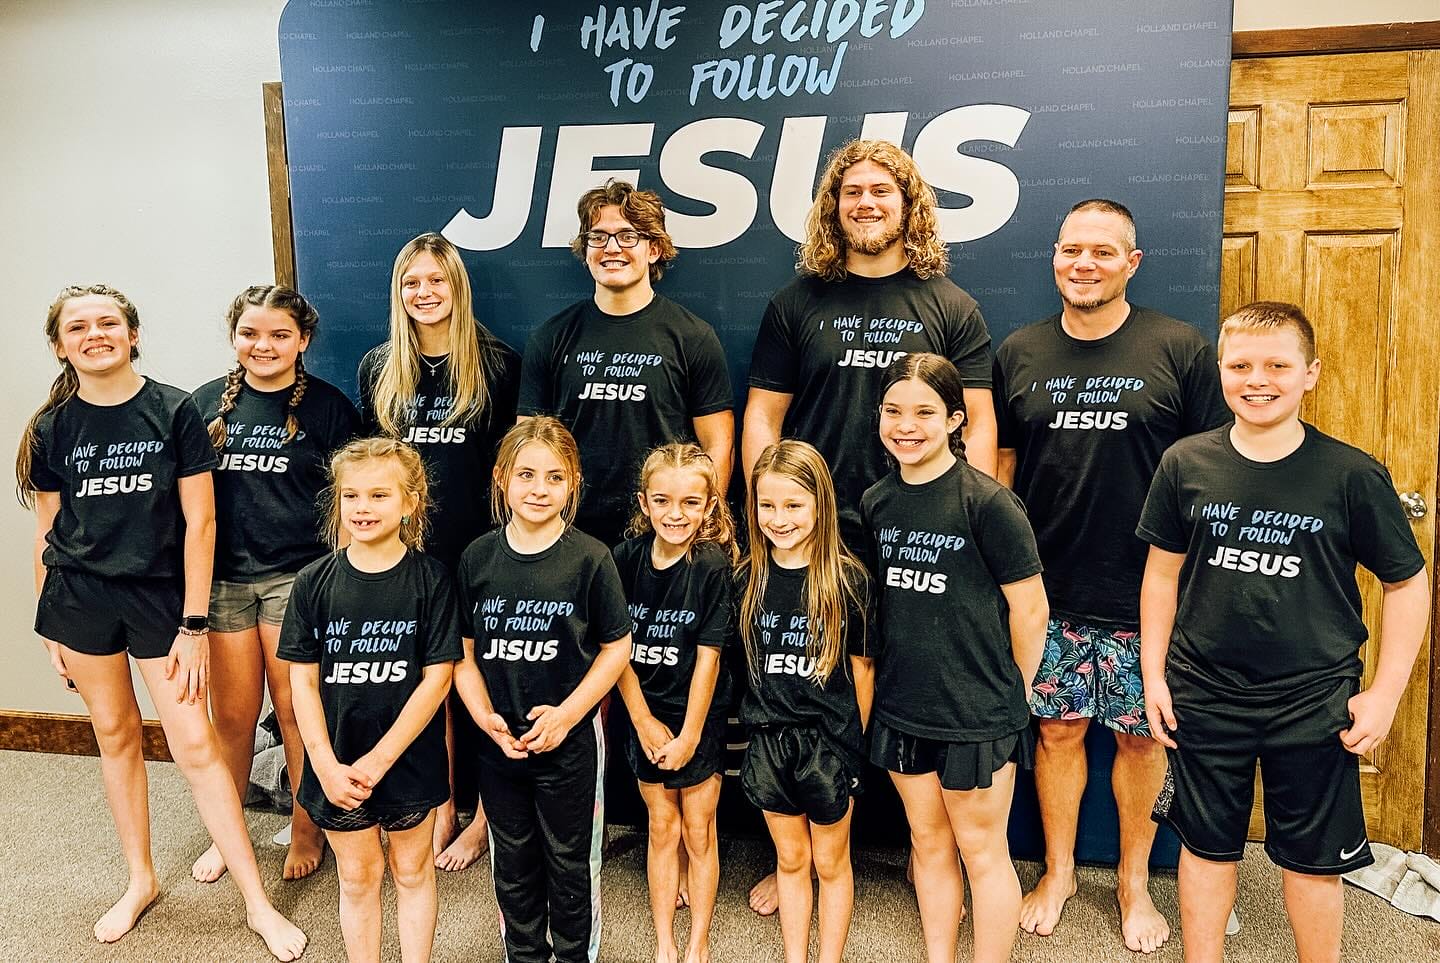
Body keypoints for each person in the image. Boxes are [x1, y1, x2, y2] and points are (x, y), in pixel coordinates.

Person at [743, 136, 996, 914]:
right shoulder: (798, 303)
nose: (866, 204)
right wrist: (771, 507)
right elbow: (764, 414)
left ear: (909, 204)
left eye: (881, 192)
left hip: (916, 529)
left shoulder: (949, 305)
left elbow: (978, 422)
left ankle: (927, 856)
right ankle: (804, 853)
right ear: (833, 207)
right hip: (815, 535)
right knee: (807, 690)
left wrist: (968, 519)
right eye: (852, 192)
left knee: (907, 683)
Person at [17, 284, 306, 960]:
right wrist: (51, 625)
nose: (96, 334)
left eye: (109, 322)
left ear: (133, 333)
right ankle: (140, 878)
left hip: (160, 602)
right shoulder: (51, 427)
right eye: (79, 327)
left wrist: (195, 623)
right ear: (61, 345)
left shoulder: (174, 409)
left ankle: (256, 904)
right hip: (80, 600)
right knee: (115, 736)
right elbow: (46, 533)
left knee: (196, 747)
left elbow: (200, 523)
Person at [1138, 302, 1430, 963]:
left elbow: (1408, 584)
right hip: (1204, 690)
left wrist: (1384, 694)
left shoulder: (1351, 474)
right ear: (1220, 371)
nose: (1257, 378)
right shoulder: (1186, 463)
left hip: (1314, 697)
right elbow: (1161, 576)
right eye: (1240, 364)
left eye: (1277, 364)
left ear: (1310, 374)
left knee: (1312, 861)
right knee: (1206, 845)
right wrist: (1154, 674)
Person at [993, 198, 1230, 952]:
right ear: (1054, 258)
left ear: (1131, 263)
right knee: (1057, 731)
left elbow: (1211, 470)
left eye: (1102, 251)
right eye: (1071, 250)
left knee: (1138, 740)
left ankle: (1132, 878)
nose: (1083, 264)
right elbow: (1000, 470)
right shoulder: (1020, 350)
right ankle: (1059, 870)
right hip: (1047, 591)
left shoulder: (1178, 346)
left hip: (1148, 596)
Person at [861, 354, 1048, 963]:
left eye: (924, 412)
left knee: (982, 850)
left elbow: (1031, 609)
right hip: (903, 706)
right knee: (927, 843)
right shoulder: (877, 501)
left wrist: (1014, 691)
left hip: (978, 714)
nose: (906, 425)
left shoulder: (988, 503)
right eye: (893, 411)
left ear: (955, 420)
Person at [358, 232, 521, 871]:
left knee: (488, 680)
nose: (424, 293)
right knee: (426, 681)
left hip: (481, 550)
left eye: (437, 281)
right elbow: (372, 472)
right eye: (412, 282)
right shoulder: (380, 368)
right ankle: (442, 803)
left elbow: (512, 467)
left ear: (457, 286)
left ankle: (483, 816)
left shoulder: (498, 363)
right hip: (408, 555)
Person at [190, 284, 360, 883]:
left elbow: (348, 503)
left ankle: (305, 828)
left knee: (294, 712)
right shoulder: (205, 405)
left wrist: (338, 582)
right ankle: (227, 831)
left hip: (298, 579)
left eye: (280, 335)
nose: (263, 345)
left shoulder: (330, 408)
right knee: (232, 717)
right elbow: (189, 507)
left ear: (302, 341)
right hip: (225, 584)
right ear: (235, 336)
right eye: (250, 333)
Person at [453, 417, 633, 963]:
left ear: (574, 482)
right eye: (526, 475)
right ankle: (525, 954)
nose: (539, 489)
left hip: (570, 746)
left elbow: (616, 649)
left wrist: (567, 716)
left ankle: (576, 955)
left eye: (555, 478)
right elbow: (461, 654)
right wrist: (484, 716)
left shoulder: (590, 558)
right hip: (499, 743)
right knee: (512, 861)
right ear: (502, 478)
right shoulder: (477, 559)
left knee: (571, 862)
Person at [282, 438, 460, 963]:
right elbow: (302, 685)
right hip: (336, 760)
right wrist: (326, 766)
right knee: (357, 880)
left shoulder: (431, 580)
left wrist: (380, 760)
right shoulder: (314, 583)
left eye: (379, 495)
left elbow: (438, 680)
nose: (363, 507)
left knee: (412, 871)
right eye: (351, 496)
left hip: (406, 760)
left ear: (409, 503)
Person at [518, 179, 734, 547]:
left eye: (628, 236)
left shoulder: (692, 336)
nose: (611, 248)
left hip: (660, 535)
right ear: (585, 250)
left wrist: (695, 526)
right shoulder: (551, 337)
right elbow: (528, 444)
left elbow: (718, 444)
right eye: (598, 237)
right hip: (569, 535)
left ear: (654, 249)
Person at [739, 440, 873, 963]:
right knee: (790, 861)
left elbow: (863, 672)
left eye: (794, 505)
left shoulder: (847, 581)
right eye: (767, 505)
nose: (779, 518)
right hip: (769, 744)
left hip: (828, 747)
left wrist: (852, 750)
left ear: (821, 503)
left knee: (831, 862)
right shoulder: (745, 578)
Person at [613, 443, 738, 963]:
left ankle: (697, 942)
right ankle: (665, 942)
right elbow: (615, 650)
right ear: (645, 503)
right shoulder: (623, 560)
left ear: (709, 507)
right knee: (661, 828)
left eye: (690, 503)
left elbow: (708, 659)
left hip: (697, 719)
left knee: (697, 828)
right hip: (646, 714)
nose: (675, 514)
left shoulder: (711, 565)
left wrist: (689, 735)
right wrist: (642, 720)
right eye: (663, 501)